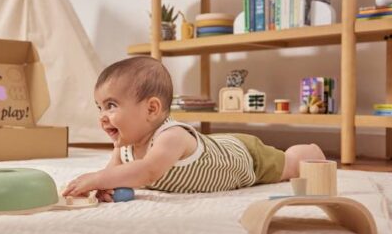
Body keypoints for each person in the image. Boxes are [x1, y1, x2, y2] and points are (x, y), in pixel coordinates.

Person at [62, 56, 326, 202]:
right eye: (99, 108)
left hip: (244, 158)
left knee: (290, 166)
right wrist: (104, 187)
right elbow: (115, 172)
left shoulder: (171, 137)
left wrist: (96, 177)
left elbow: (149, 171)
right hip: (214, 145)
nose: (103, 117)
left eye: (111, 105)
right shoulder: (125, 144)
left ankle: (308, 149)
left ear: (152, 109)